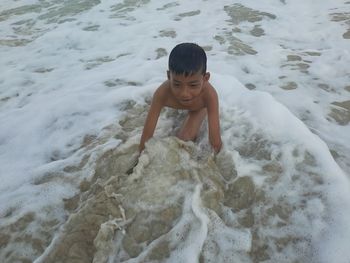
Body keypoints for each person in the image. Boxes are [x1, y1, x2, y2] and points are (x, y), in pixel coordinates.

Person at [139, 43, 222, 154]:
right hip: (188, 99)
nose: (184, 94)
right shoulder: (162, 94)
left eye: (193, 85)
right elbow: (146, 138)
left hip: (199, 107)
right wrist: (139, 161)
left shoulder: (209, 96)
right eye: (177, 84)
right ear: (169, 77)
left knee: (183, 141)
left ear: (205, 78)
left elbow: (215, 143)